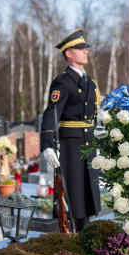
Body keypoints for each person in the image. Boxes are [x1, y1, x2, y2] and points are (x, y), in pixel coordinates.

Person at [40, 29, 101, 231]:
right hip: (72, 143)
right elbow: (52, 113)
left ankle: (87, 234)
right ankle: (77, 235)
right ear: (69, 53)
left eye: (86, 48)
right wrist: (47, 145)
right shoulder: (62, 82)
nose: (86, 52)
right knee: (75, 193)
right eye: (81, 48)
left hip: (89, 141)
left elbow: (97, 113)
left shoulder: (90, 82)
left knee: (89, 192)